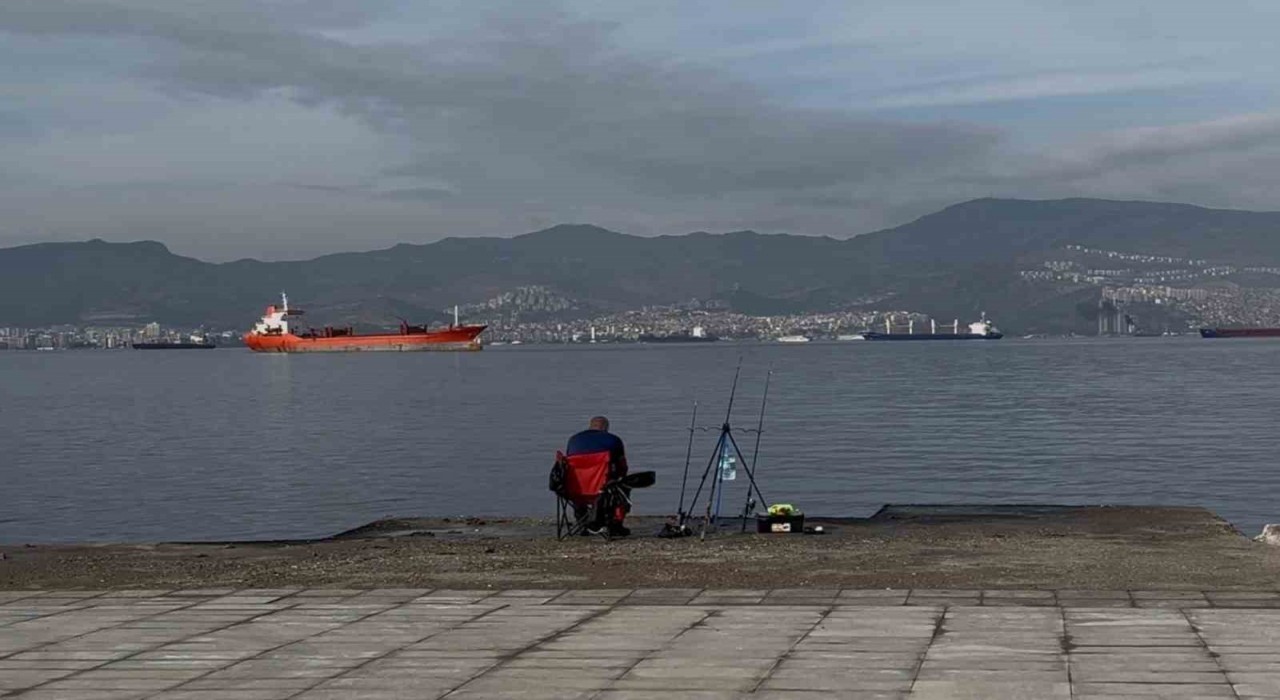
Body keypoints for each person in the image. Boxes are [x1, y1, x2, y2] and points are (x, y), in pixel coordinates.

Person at [565, 415, 630, 536]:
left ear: (590, 426)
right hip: (602, 489)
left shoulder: (573, 440)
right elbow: (622, 467)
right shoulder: (613, 440)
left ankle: (581, 522)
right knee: (623, 484)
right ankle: (616, 524)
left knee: (578, 479)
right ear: (606, 428)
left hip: (575, 489)